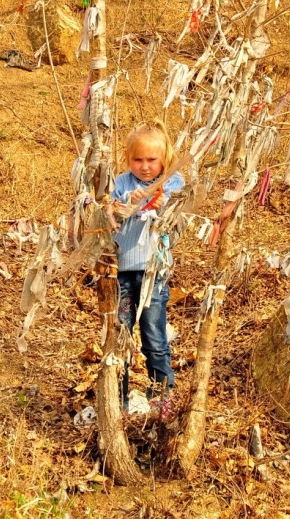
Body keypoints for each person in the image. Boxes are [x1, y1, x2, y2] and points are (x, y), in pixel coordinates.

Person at [111, 121, 184, 413]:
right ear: (128, 159)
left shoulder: (173, 183)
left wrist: (159, 200)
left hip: (154, 271)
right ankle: (119, 397)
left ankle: (162, 396)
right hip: (123, 272)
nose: (144, 167)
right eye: (137, 159)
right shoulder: (122, 183)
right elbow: (110, 211)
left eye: (151, 160)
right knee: (121, 335)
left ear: (164, 159)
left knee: (153, 334)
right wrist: (124, 203)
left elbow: (177, 211)